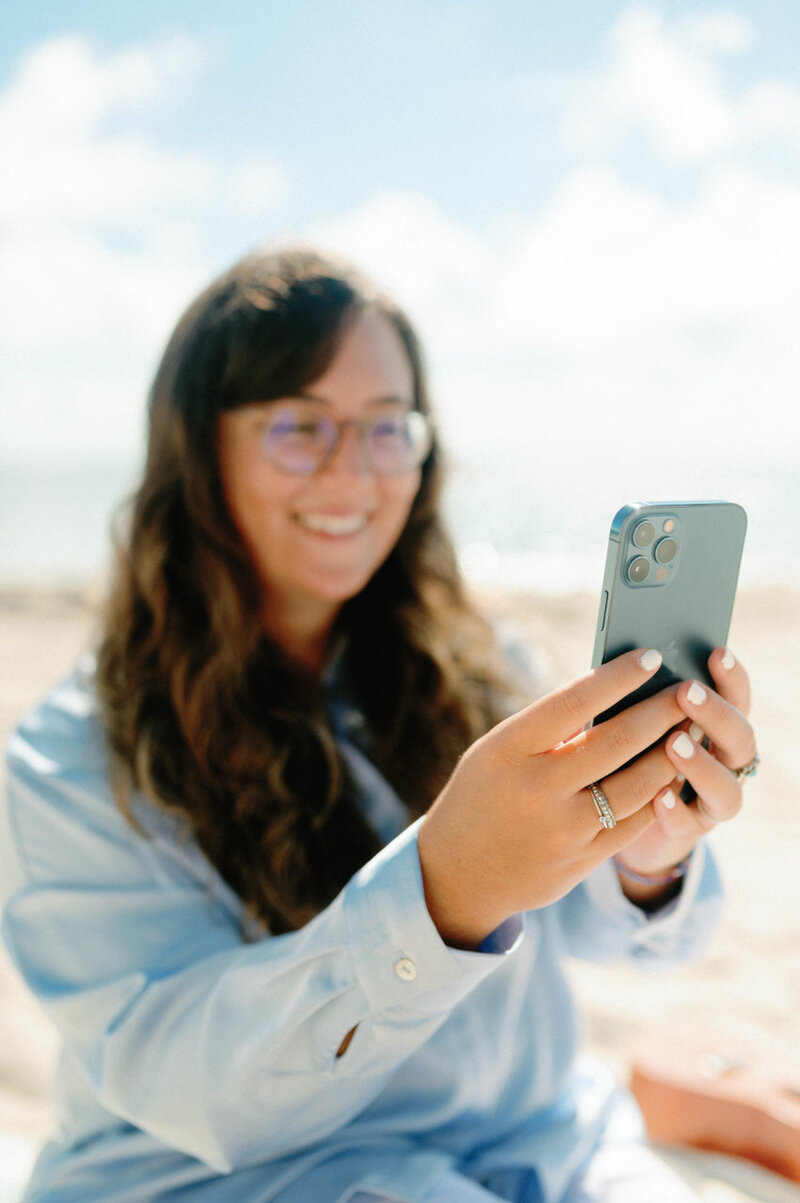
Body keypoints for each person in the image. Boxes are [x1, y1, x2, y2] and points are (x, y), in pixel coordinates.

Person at [2, 247, 758, 1203]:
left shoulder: (485, 665)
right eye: (298, 426)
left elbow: (630, 944)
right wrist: (444, 892)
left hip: (537, 1142)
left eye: (384, 428)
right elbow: (195, 1091)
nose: (352, 473)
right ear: (198, 449)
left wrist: (644, 858)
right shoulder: (70, 760)